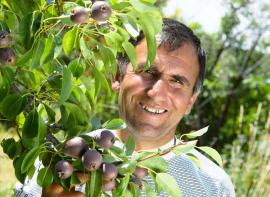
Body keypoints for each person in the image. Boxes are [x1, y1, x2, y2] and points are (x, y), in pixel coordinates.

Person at [14, 18, 235, 197]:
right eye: (147, 71)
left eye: (177, 81)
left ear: (190, 102)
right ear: (117, 76)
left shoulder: (213, 186)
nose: (156, 92)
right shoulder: (57, 164)